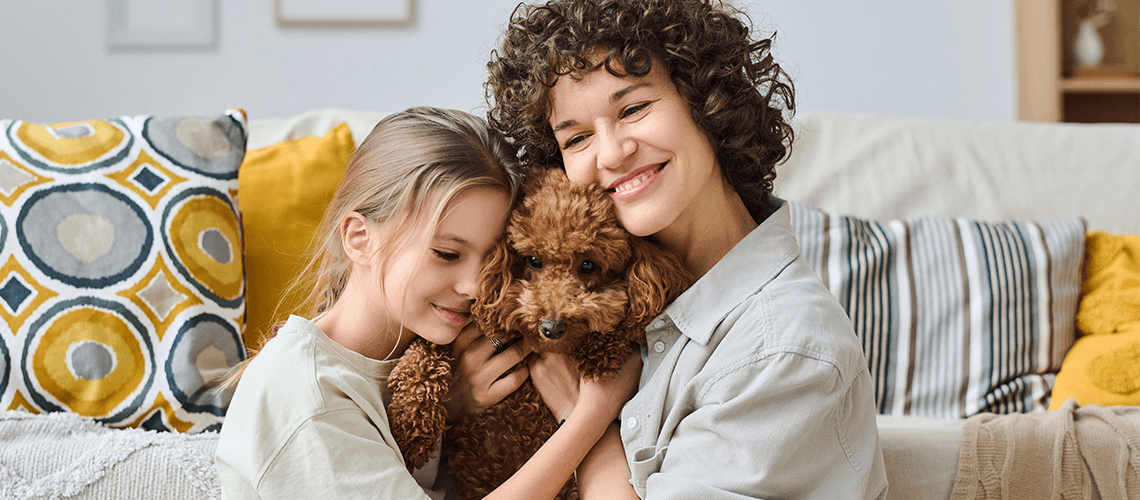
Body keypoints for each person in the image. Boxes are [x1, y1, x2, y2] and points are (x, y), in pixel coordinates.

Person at [485, 1, 890, 499]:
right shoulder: (606, 294)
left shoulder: (782, 347)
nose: (611, 154)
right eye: (577, 138)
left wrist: (582, 414)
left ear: (707, 103)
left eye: (633, 109)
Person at [214, 107, 641, 500]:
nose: (475, 286)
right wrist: (590, 415)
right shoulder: (304, 396)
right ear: (360, 238)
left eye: (495, 256)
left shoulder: (435, 358)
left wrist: (449, 414)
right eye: (447, 254)